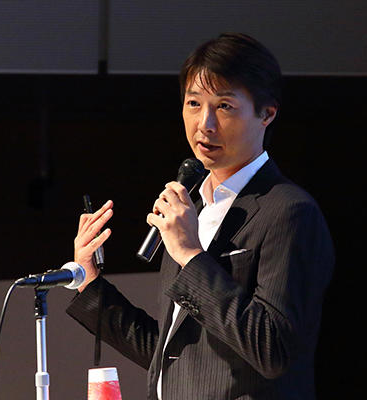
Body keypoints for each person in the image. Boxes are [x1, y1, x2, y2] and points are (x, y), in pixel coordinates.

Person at [66, 33, 334, 400]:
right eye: (193, 103)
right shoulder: (194, 208)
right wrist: (90, 283)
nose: (204, 123)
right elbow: (175, 355)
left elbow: (273, 349)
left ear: (267, 114)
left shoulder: (289, 211)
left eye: (224, 106)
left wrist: (191, 255)